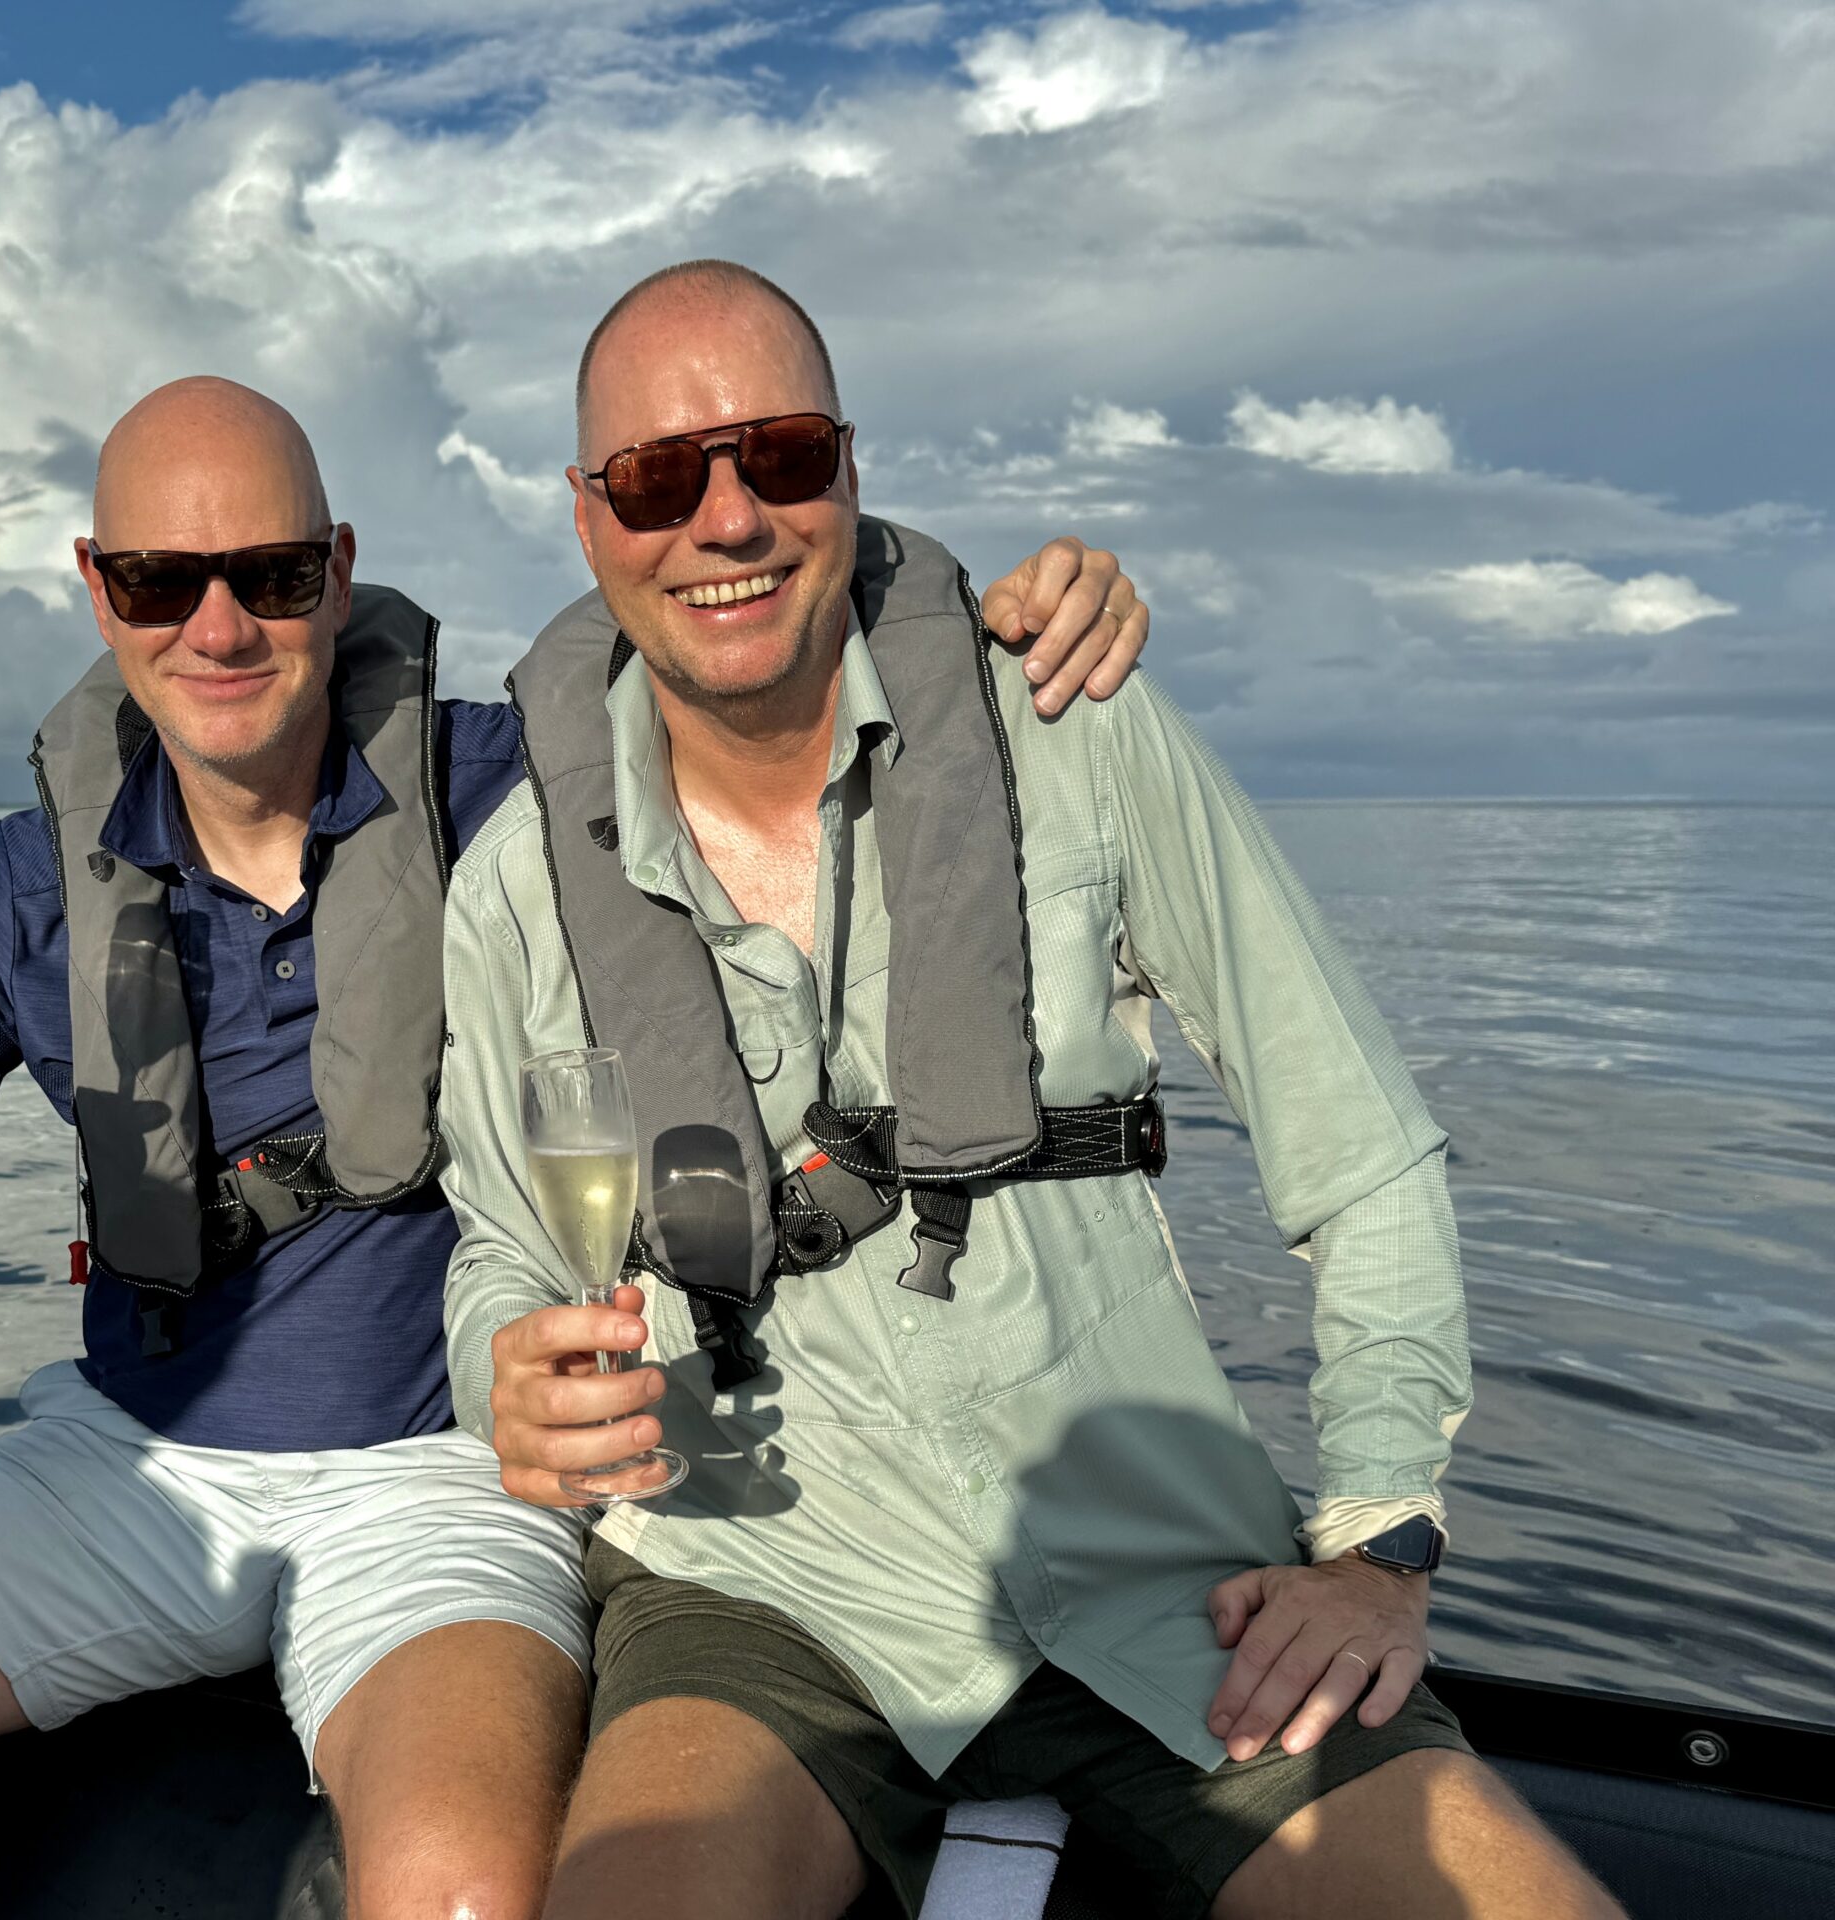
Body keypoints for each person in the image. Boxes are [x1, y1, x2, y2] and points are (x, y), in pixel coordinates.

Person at [0, 373, 1152, 1920]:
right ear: (100, 593)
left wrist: (979, 637)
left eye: (273, 574)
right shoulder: (33, 879)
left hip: (443, 1485)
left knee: (455, 1898)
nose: (220, 627)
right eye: (162, 581)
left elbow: (770, 695)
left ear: (340, 570)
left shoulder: (516, 791)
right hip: (125, 1466)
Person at [442, 261, 1626, 1920]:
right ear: (589, 521)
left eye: (776, 456)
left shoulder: (1075, 727)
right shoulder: (515, 885)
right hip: (762, 1589)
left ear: (847, 473)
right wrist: (501, 1375)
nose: (725, 521)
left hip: (1166, 1587)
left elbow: (1361, 1156)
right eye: (657, 478)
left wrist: (1375, 1547)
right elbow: (504, 1245)